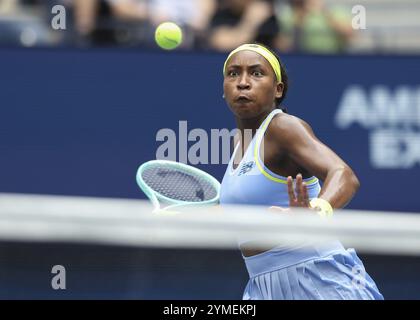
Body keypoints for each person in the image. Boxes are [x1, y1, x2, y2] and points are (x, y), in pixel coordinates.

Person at [219, 43, 384, 300]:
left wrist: (316, 211)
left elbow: (343, 174)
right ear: (224, 89)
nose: (243, 82)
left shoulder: (283, 127)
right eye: (233, 74)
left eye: (256, 73)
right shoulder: (238, 144)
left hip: (320, 279)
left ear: (278, 89)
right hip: (262, 286)